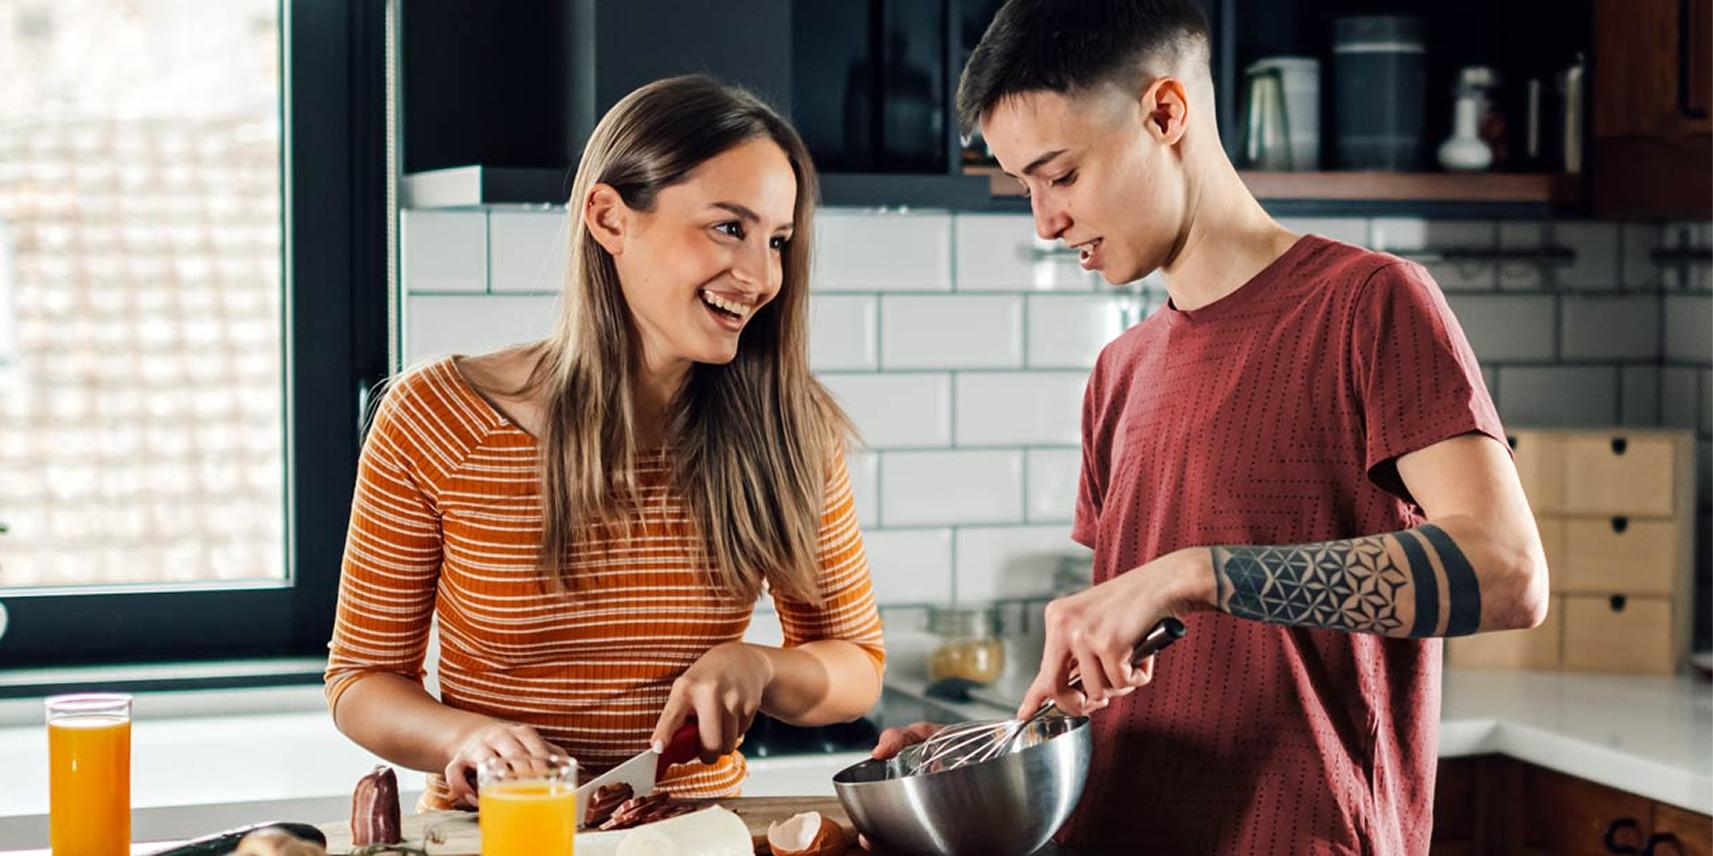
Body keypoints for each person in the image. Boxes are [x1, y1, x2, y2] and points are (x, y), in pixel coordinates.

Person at [870, 2, 1549, 853]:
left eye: (1060, 175)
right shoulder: (1120, 371)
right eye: (1025, 188)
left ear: (1164, 113)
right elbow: (1133, 679)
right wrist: (984, 765)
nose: (1043, 221)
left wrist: (1195, 572)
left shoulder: (1368, 306)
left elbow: (1509, 573)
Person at [325, 75, 886, 812]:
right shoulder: (435, 416)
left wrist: (760, 667)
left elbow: (855, 666)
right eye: (728, 227)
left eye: (776, 240)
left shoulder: (788, 426)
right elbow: (361, 679)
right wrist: (465, 738)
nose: (760, 276)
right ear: (610, 219)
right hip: (504, 831)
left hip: (693, 832)